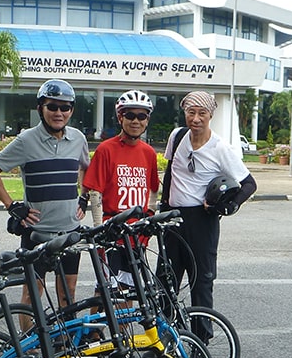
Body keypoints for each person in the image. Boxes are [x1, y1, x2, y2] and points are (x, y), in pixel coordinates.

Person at [0, 79, 90, 323]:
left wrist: (82, 197)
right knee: (32, 295)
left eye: (65, 108)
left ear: (72, 110)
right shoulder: (26, 140)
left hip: (69, 232)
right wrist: (12, 206)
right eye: (53, 107)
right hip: (37, 234)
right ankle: (29, 348)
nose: (59, 113)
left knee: (68, 294)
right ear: (41, 108)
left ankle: (66, 343)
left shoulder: (78, 139)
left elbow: (86, 167)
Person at [159, 90, 257, 342]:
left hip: (201, 222)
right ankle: (164, 339)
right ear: (185, 113)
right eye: (191, 112)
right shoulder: (177, 136)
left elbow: (249, 184)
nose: (196, 118)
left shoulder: (220, 148)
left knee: (200, 282)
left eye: (202, 113)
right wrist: (162, 208)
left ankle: (200, 341)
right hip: (172, 219)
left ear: (211, 115)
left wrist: (225, 208)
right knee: (165, 280)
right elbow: (170, 172)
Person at [82, 90, 160, 293]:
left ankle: (123, 327)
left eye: (141, 116)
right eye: (130, 115)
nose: (136, 121)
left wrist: (149, 217)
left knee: (133, 292)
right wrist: (99, 229)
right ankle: (98, 327)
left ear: (147, 120)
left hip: (137, 235)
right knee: (108, 292)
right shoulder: (106, 150)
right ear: (120, 117)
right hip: (111, 232)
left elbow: (153, 189)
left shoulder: (149, 153)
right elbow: (95, 192)